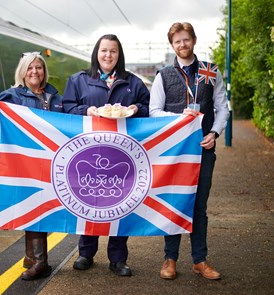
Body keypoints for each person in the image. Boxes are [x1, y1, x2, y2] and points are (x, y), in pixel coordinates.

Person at [62, 34, 150, 276]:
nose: (108, 55)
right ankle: (85, 253)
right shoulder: (78, 80)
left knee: (120, 203)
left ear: (119, 55)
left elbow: (148, 108)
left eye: (113, 51)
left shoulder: (133, 82)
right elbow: (66, 108)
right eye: (104, 51)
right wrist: (86, 110)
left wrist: (135, 109)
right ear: (96, 53)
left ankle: (118, 258)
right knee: (88, 200)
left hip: (122, 155)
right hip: (88, 153)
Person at [149, 22, 229, 280]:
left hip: (202, 150)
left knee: (198, 207)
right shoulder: (163, 75)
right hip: (174, 152)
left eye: (186, 40)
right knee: (174, 203)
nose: (182, 45)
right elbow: (154, 112)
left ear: (193, 40)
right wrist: (177, 117)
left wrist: (214, 133)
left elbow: (222, 107)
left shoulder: (210, 71)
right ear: (172, 45)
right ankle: (169, 259)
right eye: (177, 42)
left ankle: (199, 260)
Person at [0, 51, 63, 281]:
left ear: (44, 71)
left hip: (52, 162)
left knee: (43, 206)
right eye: (30, 68)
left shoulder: (55, 97)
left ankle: (31, 257)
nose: (34, 72)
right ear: (23, 71)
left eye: (38, 67)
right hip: (25, 162)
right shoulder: (11, 96)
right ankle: (41, 262)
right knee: (35, 205)